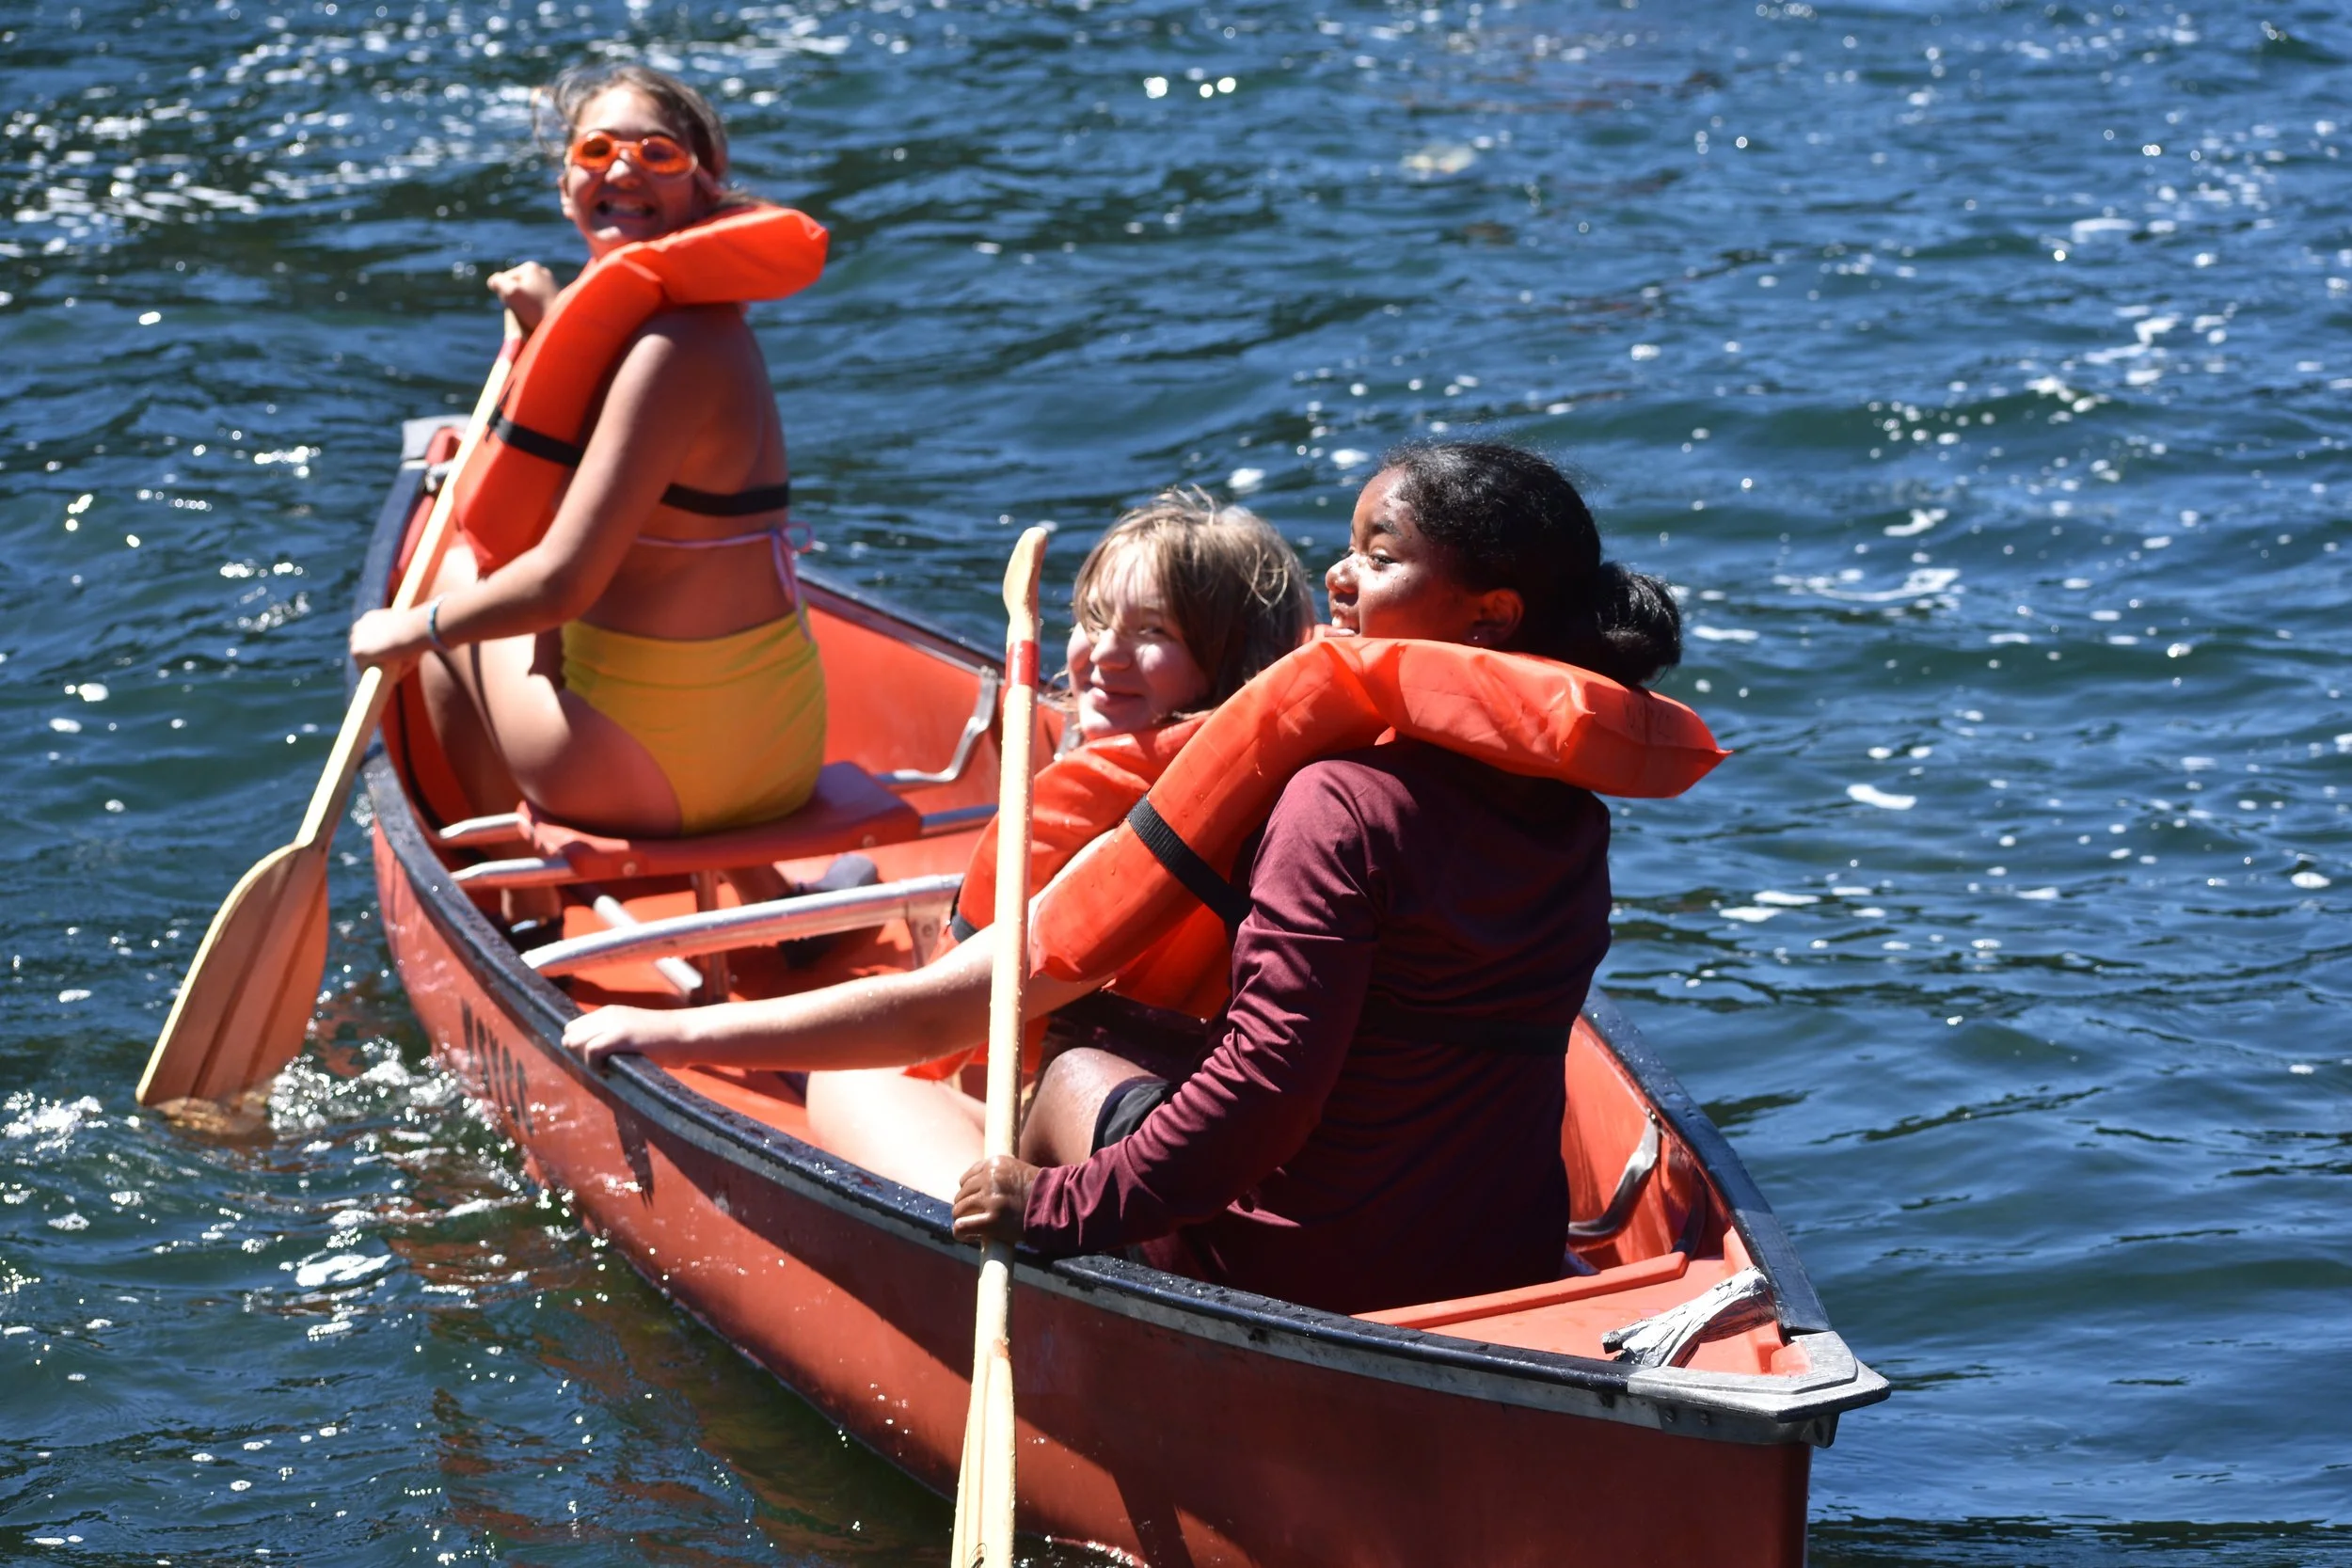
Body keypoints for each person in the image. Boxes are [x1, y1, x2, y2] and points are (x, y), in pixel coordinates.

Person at [950, 440, 1685, 1316]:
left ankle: (1018, 1300)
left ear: (1489, 616)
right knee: (1140, 1042)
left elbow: (1264, 1089)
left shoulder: (1339, 802)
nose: (1338, 576)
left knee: (1071, 1070)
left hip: (1302, 1265)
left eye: (1379, 558)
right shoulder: (1572, 815)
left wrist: (1052, 1204)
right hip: (1502, 1257)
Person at [564, 489, 1317, 1196]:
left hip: (1123, 1155)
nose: (1102, 654)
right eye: (1093, 619)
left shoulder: (1151, 836)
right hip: (1156, 1119)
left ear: (1233, 670)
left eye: (1153, 632)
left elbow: (934, 1016)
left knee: (858, 1078)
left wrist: (676, 1032)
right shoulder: (1273, 782)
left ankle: (1031, 1273)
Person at [350, 64, 824, 902]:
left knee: (459, 571)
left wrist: (409, 630)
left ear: (709, 190)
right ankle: (771, 897)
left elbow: (562, 582)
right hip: (781, 750)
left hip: (658, 773)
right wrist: (553, 319)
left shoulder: (665, 353)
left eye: (658, 153)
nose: (621, 168)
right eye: (596, 148)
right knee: (501, 572)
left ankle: (518, 904)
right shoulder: (687, 331)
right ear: (567, 181)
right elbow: (587, 383)